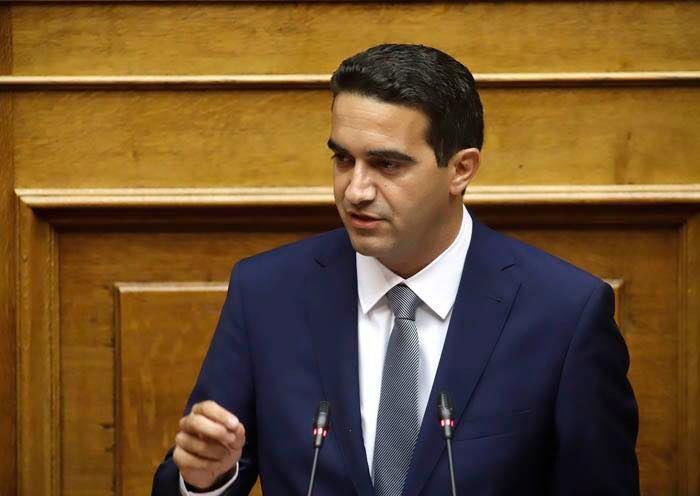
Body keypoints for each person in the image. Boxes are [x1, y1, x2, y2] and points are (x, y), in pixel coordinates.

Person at [152, 44, 640, 495]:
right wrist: (204, 481)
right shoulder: (266, 294)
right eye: (343, 159)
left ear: (461, 169)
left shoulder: (565, 314)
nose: (355, 191)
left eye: (386, 165)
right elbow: (196, 468)